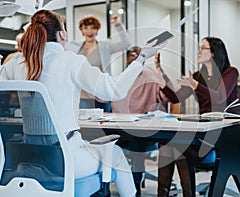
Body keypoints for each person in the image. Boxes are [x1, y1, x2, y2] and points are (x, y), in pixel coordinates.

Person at [0, 10, 165, 197]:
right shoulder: (71, 61)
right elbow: (113, 89)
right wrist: (142, 58)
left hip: (25, 160)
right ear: (62, 34)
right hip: (67, 162)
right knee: (117, 154)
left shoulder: (17, 63)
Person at [158, 37, 239, 196]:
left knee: (179, 146)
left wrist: (194, 84)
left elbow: (219, 98)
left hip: (223, 132)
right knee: (167, 144)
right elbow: (176, 97)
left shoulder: (230, 72)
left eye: (203, 48)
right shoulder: (197, 75)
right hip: (202, 129)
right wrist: (161, 75)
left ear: (214, 53)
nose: (198, 51)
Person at [112, 46, 172, 196]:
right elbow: (101, 95)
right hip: (120, 128)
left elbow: (169, 96)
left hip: (142, 131)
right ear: (127, 59)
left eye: (139, 55)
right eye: (132, 55)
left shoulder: (152, 78)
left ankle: (134, 188)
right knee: (104, 140)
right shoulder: (120, 79)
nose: (136, 57)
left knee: (135, 140)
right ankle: (104, 189)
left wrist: (161, 71)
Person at [65, 15, 131, 112]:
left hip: (101, 94)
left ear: (97, 30)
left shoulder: (105, 46)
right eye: (86, 28)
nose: (89, 31)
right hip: (83, 95)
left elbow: (126, 43)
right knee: (84, 124)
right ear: (82, 31)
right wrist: (63, 25)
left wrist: (118, 25)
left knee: (103, 124)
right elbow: (61, 44)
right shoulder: (75, 47)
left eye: (93, 28)